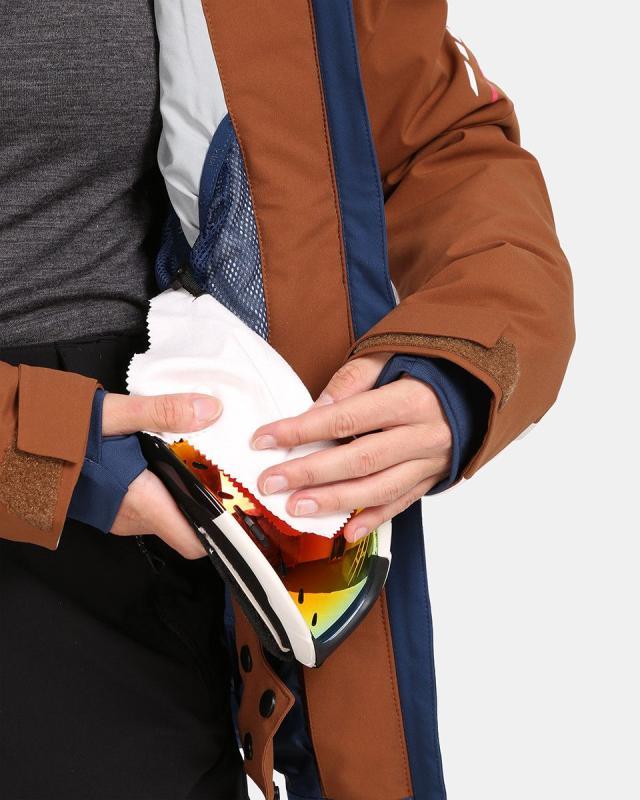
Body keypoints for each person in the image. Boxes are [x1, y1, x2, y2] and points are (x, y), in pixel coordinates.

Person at [0, 2, 575, 799]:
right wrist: (36, 445)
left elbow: (434, 136)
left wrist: (464, 358)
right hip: (81, 474)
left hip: (158, 514)